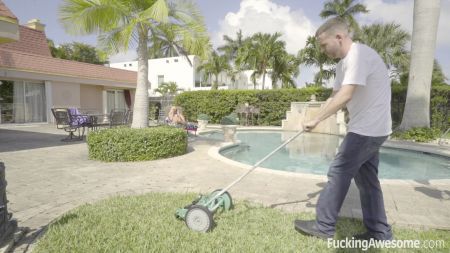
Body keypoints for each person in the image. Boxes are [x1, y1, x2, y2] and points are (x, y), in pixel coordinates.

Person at [294, 17, 393, 241]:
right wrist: (315, 118)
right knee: (367, 181)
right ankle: (379, 232)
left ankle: (324, 226)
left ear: (339, 37)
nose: (322, 50)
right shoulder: (343, 64)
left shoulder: (359, 55)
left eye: (323, 44)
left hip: (367, 130)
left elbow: (347, 94)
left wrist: (317, 119)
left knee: (338, 173)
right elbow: (334, 95)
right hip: (370, 129)